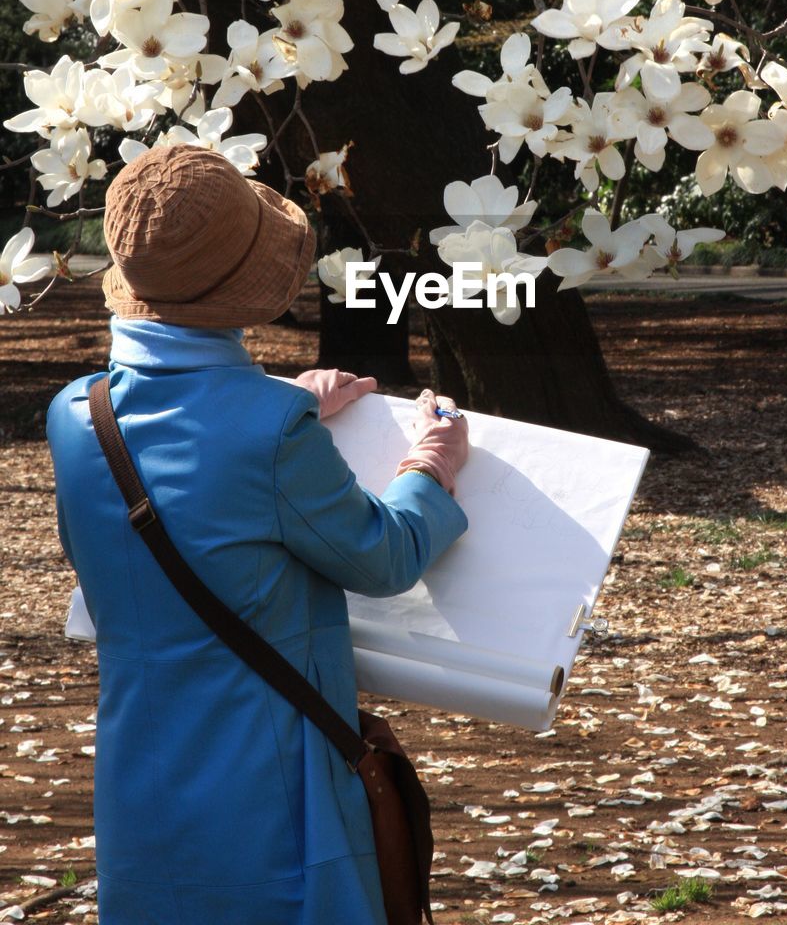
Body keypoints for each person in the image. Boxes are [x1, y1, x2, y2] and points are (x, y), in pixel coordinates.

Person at [47, 144, 470, 925]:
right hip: (268, 772)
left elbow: (141, 531)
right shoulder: (268, 429)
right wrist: (430, 467)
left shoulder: (77, 412)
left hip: (141, 770)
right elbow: (382, 557)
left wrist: (287, 408)